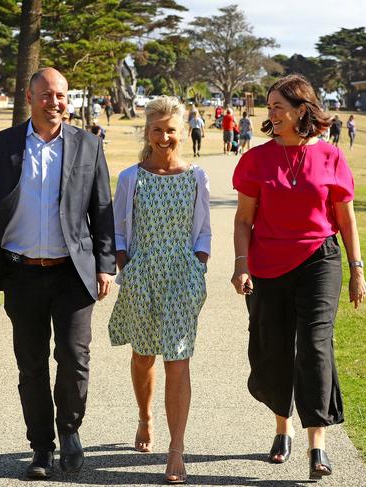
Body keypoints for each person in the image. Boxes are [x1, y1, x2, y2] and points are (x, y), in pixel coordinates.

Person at [0, 67, 116, 479]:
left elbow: (102, 210)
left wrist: (105, 266)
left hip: (72, 274)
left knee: (74, 358)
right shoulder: (2, 146)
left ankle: (69, 431)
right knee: (31, 365)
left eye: (61, 95)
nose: (55, 102)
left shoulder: (88, 145)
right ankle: (41, 448)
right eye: (47, 95)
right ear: (30, 98)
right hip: (21, 273)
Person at [231, 74, 366, 481]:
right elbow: (243, 219)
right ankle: (281, 426)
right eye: (269, 106)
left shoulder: (330, 157)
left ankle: (317, 445)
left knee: (314, 345)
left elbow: (346, 218)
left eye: (277, 106)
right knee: (272, 348)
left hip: (319, 259)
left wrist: (357, 269)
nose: (269, 112)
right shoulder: (256, 159)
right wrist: (241, 264)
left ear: (301, 110)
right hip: (267, 263)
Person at [108, 96, 211, 485]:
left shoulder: (196, 176)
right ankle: (144, 417)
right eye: (157, 129)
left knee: (178, 360)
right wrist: (123, 260)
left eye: (171, 129)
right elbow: (119, 226)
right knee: (142, 356)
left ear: (182, 132)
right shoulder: (131, 177)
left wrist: (199, 260)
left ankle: (176, 448)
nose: (164, 136)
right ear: (147, 132)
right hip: (141, 274)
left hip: (182, 276)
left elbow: (203, 227)